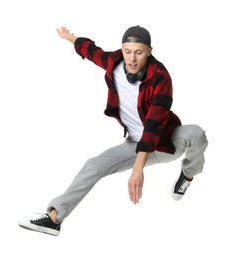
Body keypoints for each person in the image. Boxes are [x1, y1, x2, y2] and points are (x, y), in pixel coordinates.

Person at [18, 25, 208, 236]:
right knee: (93, 165)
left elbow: (154, 124)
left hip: (165, 142)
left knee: (196, 134)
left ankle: (188, 176)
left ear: (150, 51)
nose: (132, 59)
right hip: (134, 143)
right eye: (128, 52)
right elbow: (91, 51)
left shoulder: (161, 78)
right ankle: (55, 219)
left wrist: (138, 169)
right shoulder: (114, 62)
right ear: (122, 49)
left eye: (139, 52)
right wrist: (69, 37)